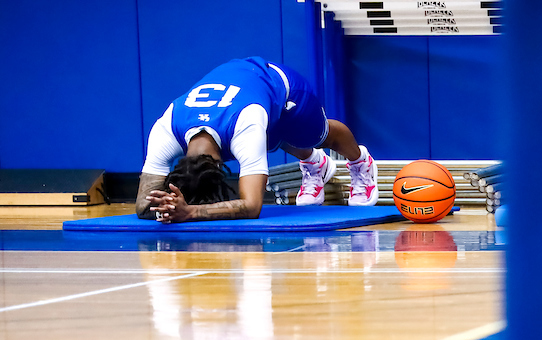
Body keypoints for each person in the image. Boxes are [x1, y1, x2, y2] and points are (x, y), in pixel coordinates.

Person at [136, 57, 376, 223]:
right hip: (241, 90)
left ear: (222, 169)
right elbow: (142, 206)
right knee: (272, 140)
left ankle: (361, 163)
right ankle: (316, 165)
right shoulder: (165, 130)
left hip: (280, 85)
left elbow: (252, 206)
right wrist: (167, 207)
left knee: (318, 136)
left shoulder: (245, 127)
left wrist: (189, 212)